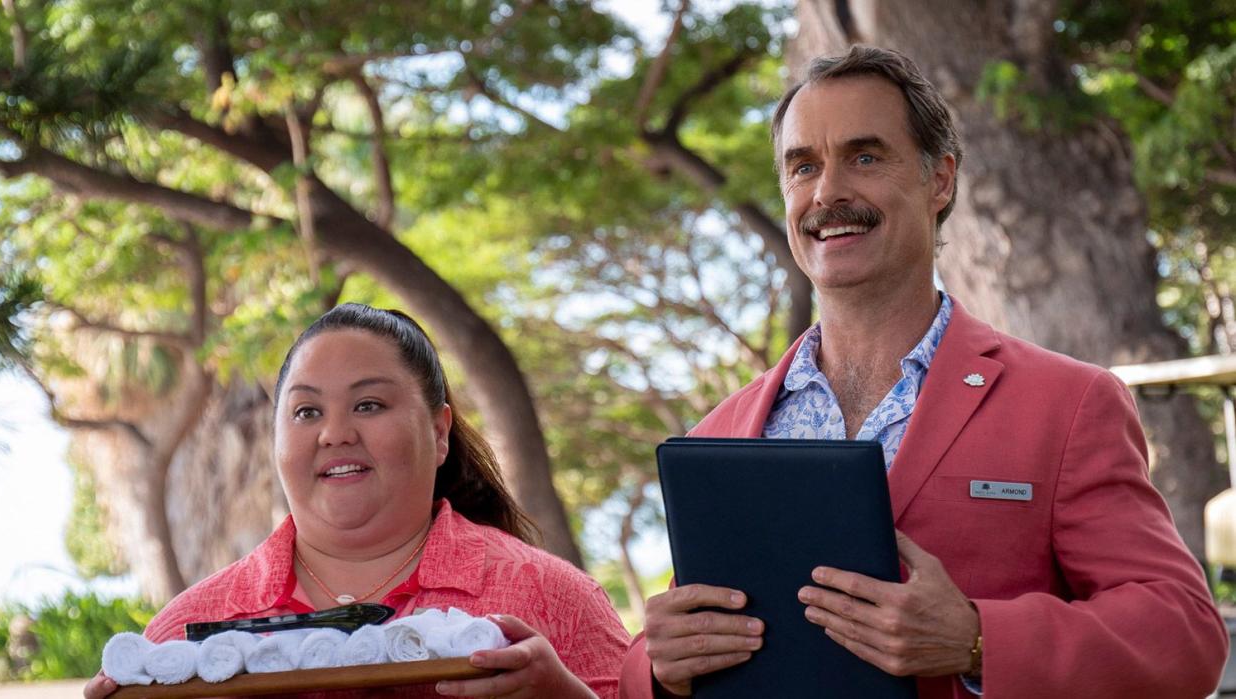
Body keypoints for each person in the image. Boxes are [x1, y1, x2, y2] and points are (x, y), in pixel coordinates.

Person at [620, 46, 1228, 699]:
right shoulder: (717, 436)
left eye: (865, 156)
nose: (827, 192)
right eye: (803, 167)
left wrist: (976, 640)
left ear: (938, 179)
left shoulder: (1068, 404)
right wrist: (657, 667)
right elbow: (650, 661)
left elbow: (1185, 634)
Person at [85, 303, 630, 698]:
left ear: (440, 432)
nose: (334, 433)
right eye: (306, 412)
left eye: (369, 405)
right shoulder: (183, 636)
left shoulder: (555, 599)